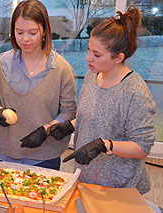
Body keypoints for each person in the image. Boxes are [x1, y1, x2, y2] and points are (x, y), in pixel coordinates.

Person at [50, 6, 156, 194]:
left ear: (118, 58)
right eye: (89, 50)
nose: (88, 58)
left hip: (121, 187)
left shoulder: (135, 93)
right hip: (86, 178)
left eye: (96, 54)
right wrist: (70, 125)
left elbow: (142, 147)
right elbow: (95, 116)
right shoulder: (93, 76)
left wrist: (106, 145)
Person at [0, 0, 77, 170]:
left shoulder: (61, 68)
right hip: (6, 153)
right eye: (19, 32)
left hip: (46, 157)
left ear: (44, 30)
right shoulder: (2, 63)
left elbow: (69, 112)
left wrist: (46, 130)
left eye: (33, 32)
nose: (25, 39)